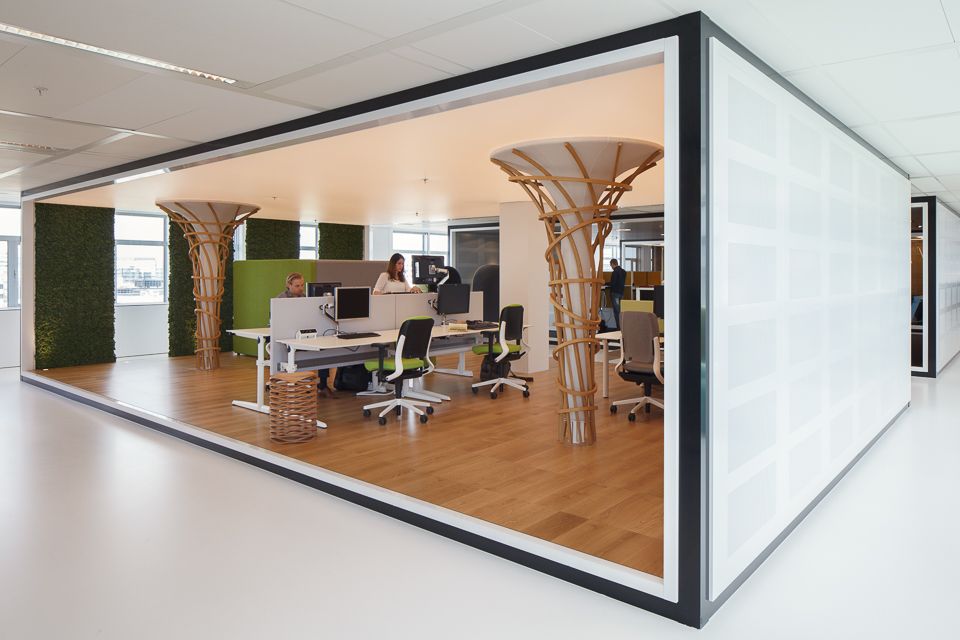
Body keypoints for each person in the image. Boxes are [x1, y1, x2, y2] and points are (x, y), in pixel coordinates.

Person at [276, 272, 334, 397]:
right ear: (289, 285)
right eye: (297, 285)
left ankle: (323, 384)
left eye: (302, 285)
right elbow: (277, 322)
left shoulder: (306, 298)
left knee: (324, 351)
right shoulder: (281, 300)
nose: (301, 288)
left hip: (303, 334)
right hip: (287, 336)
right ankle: (291, 383)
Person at [608, 258, 626, 330]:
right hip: (621, 293)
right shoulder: (624, 272)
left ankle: (619, 328)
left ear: (613, 264)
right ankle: (622, 326)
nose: (611, 267)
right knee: (621, 310)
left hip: (615, 293)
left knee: (616, 311)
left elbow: (613, 283)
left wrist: (605, 283)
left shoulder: (615, 272)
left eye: (611, 265)